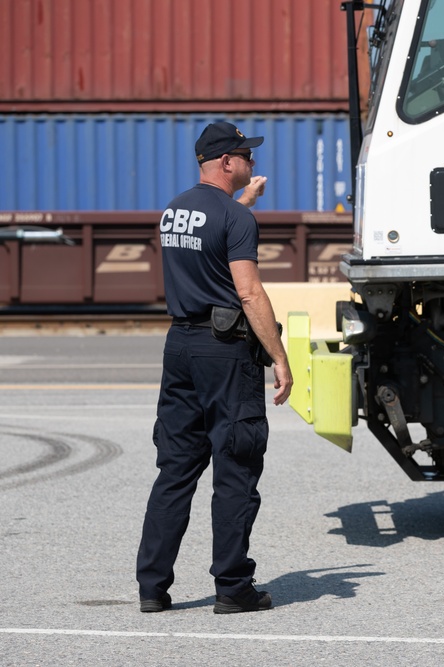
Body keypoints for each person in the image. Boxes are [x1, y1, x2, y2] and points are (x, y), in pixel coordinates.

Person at [136, 121, 293, 615]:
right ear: (227, 161)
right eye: (246, 154)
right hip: (224, 352)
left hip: (179, 347)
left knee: (175, 470)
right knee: (236, 467)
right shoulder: (235, 219)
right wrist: (279, 358)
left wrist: (242, 202)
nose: (252, 161)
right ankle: (233, 586)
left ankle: (153, 588)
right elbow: (248, 292)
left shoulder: (174, 211)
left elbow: (209, 234)